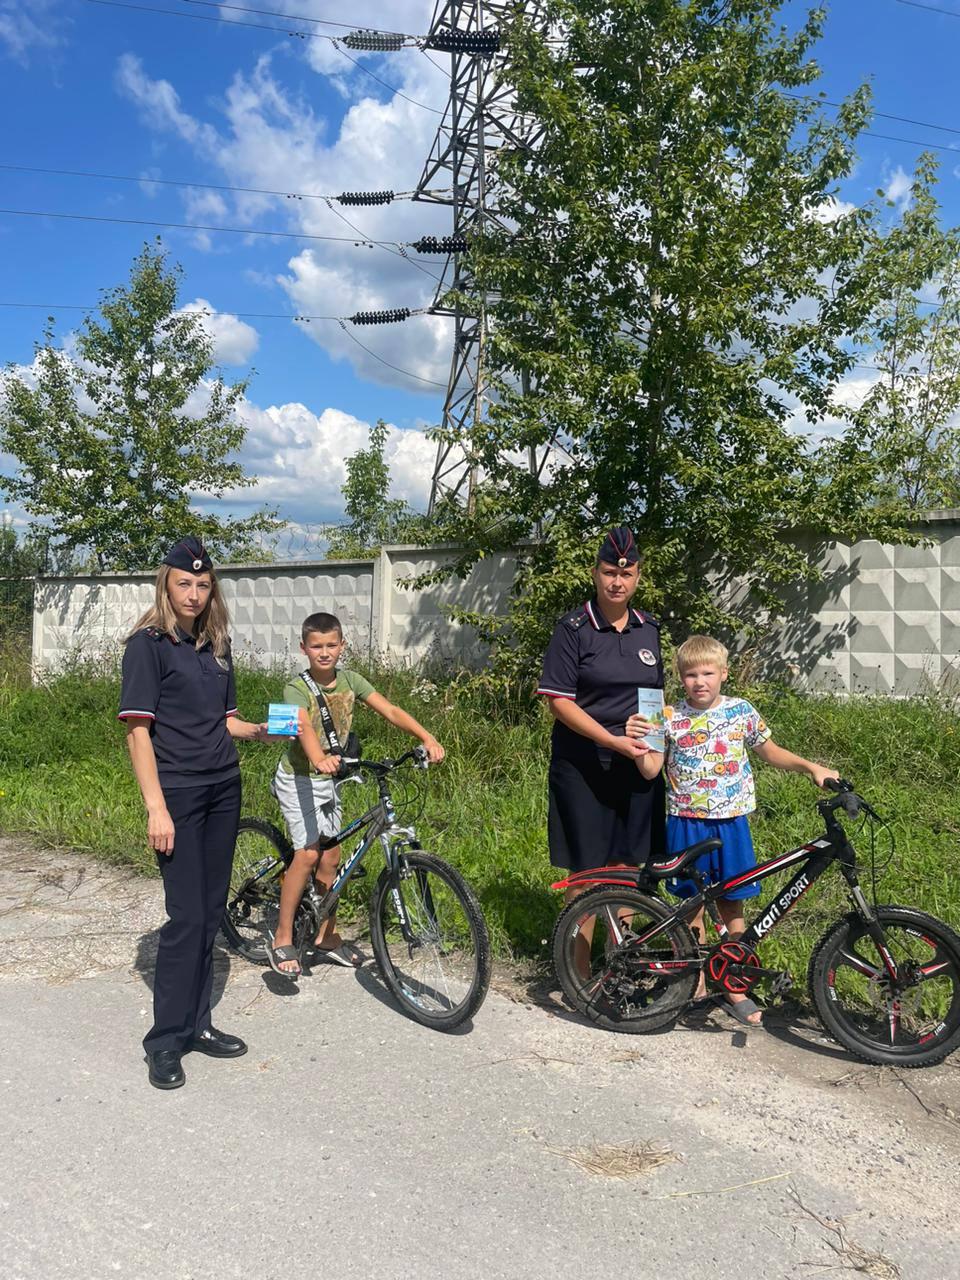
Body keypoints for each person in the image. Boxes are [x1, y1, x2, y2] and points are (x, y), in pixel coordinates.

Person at [119, 536, 270, 1090]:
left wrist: (260, 730)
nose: (194, 593)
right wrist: (156, 809)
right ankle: (164, 1040)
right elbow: (139, 733)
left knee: (210, 914)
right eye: (185, 582)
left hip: (223, 789)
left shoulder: (217, 644)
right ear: (167, 583)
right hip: (177, 795)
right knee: (185, 918)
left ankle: (198, 1024)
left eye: (204, 585)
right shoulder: (148, 645)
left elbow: (226, 719)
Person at [629, 633, 838, 1025]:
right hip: (686, 823)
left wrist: (813, 767)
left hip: (731, 823)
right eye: (690, 675)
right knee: (691, 904)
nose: (699, 681)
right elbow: (651, 770)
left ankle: (734, 982)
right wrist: (640, 741)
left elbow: (770, 752)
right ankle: (695, 983)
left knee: (733, 902)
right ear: (680, 678)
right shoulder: (667, 716)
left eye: (707, 672)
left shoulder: (741, 711)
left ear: (724, 674)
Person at [266, 611, 445, 978]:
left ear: (343, 645)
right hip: (300, 776)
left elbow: (390, 709)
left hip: (330, 777)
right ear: (304, 648)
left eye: (332, 644)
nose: (325, 652)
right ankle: (282, 935)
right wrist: (318, 758)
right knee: (308, 852)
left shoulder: (350, 680)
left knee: (332, 859)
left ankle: (325, 936)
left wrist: (425, 737)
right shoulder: (294, 687)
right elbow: (300, 724)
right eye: (316, 646)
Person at [536, 526, 663, 898]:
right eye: (609, 572)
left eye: (626, 574)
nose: (617, 582)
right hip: (584, 767)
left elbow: (655, 699)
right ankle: (575, 956)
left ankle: (619, 954)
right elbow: (559, 702)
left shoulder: (649, 628)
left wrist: (654, 756)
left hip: (636, 764)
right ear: (595, 574)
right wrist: (612, 740)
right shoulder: (573, 629)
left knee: (627, 868)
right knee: (587, 871)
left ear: (637, 576)